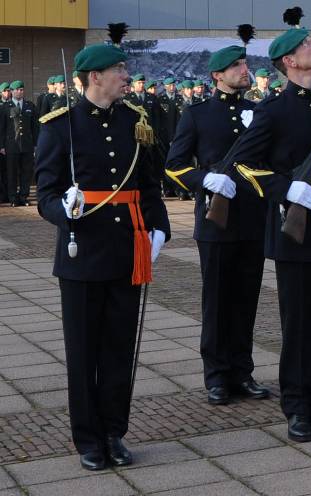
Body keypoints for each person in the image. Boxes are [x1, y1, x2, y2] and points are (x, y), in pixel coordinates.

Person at [229, 7, 311, 442]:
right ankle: (297, 407)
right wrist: (285, 188)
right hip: (295, 222)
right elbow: (242, 165)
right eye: (307, 44)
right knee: (299, 320)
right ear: (289, 61)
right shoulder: (272, 110)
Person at [35, 42, 170, 470]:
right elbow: (46, 194)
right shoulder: (60, 126)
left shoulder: (135, 121)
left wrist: (159, 227)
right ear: (95, 77)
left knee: (118, 347)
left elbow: (148, 185)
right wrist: (63, 209)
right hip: (82, 251)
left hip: (126, 249)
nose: (126, 76)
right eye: (119, 69)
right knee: (83, 350)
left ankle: (114, 431)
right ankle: (88, 439)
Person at [165, 45, 269, 405]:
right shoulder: (197, 115)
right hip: (216, 219)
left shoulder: (257, 112)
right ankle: (216, 375)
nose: (244, 70)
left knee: (246, 299)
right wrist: (204, 180)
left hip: (253, 219)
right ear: (217, 76)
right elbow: (174, 164)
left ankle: (243, 371)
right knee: (218, 300)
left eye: (245, 63)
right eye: (236, 66)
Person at [0, 80, 38, 206]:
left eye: (21, 89)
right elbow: (2, 128)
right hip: (11, 146)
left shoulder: (30, 106)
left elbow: (35, 127)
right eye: (16, 90)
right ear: (11, 91)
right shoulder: (5, 107)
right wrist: (1, 146)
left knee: (26, 172)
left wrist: (36, 144)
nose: (19, 92)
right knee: (11, 173)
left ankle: (23, 197)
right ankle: (13, 198)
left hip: (27, 145)